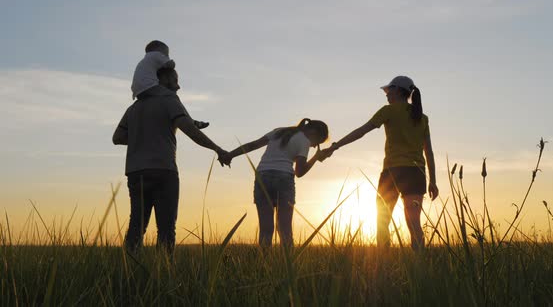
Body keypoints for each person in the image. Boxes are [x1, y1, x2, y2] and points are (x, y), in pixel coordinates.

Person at [113, 67, 227, 255]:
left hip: (136, 171)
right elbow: (189, 130)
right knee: (166, 228)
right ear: (163, 79)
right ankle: (163, 275)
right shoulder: (169, 100)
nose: (179, 86)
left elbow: (117, 137)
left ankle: (129, 272)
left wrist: (143, 137)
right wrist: (218, 149)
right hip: (163, 170)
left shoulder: (133, 108)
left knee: (137, 225)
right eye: (175, 80)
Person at [320, 76, 438, 251]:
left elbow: (361, 131)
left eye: (389, 91)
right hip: (416, 173)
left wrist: (335, 146)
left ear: (397, 91)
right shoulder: (422, 117)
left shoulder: (388, 111)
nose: (386, 95)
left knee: (382, 221)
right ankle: (420, 267)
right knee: (414, 223)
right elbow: (428, 151)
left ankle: (383, 266)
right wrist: (433, 181)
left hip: (393, 171)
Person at [219, 119, 329, 248]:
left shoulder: (279, 132)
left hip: (262, 177)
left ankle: (264, 265)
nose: (315, 146)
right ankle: (286, 267)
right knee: (285, 230)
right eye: (318, 142)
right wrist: (316, 158)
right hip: (284, 179)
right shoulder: (304, 141)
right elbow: (299, 172)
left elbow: (253, 145)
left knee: (265, 230)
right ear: (314, 132)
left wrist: (230, 155)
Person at [131, 40, 209, 129]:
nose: (166, 56)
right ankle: (191, 122)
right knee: (173, 97)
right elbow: (171, 64)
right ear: (158, 50)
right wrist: (168, 61)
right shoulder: (156, 55)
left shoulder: (145, 61)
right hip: (149, 86)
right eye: (166, 54)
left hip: (138, 91)